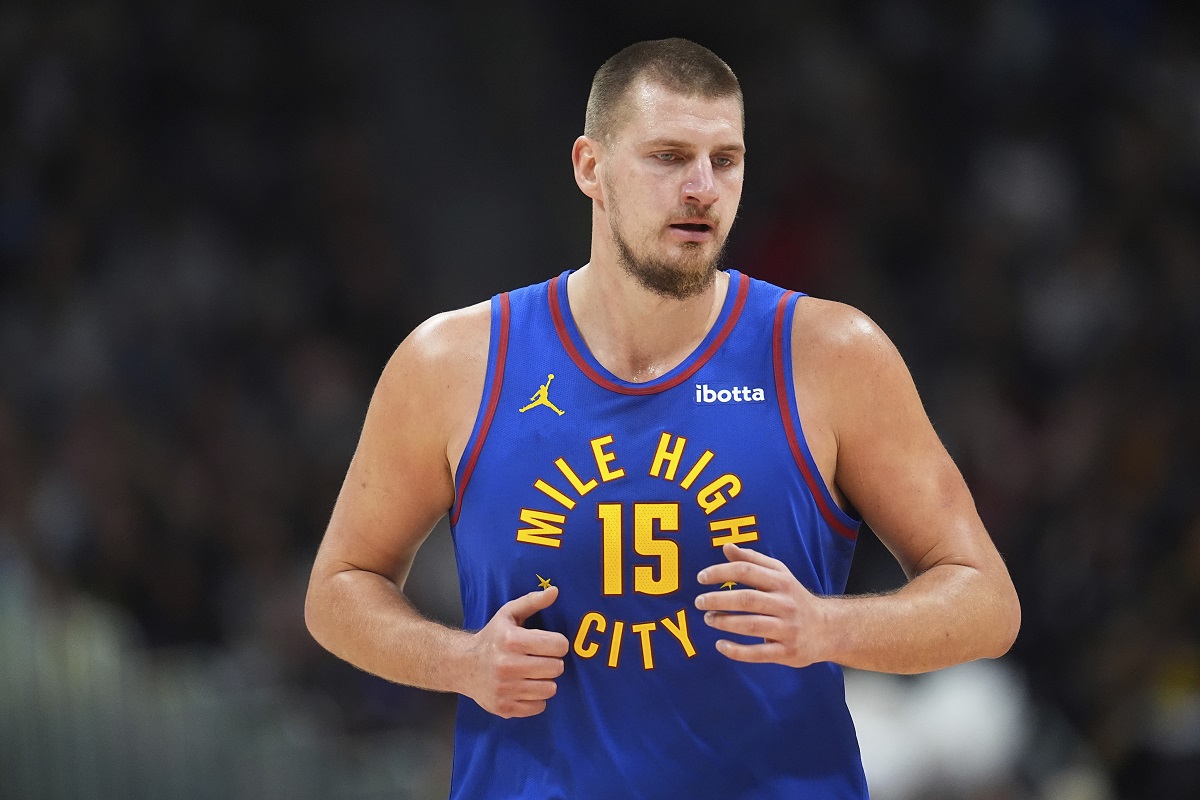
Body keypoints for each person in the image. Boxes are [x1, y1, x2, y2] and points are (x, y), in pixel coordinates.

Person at [305, 37, 1021, 799]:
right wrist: (460, 662)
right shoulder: (452, 362)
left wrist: (827, 627)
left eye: (726, 160)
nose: (702, 188)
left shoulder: (831, 354)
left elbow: (986, 601)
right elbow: (339, 588)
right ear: (591, 167)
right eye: (669, 156)